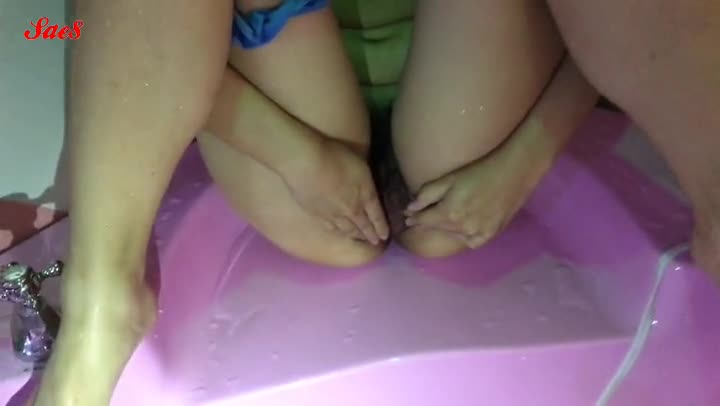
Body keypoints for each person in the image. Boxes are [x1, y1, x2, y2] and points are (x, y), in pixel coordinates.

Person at [32, 0, 719, 404]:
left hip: (478, 69)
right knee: (339, 240)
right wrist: (295, 156)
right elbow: (110, 38)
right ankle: (101, 305)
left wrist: (527, 156)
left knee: (437, 227)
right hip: (279, 80)